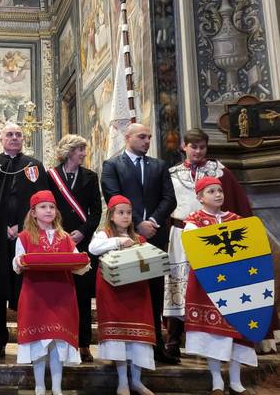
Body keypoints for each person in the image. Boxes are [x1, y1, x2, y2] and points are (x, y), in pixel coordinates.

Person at [164, 128, 253, 357]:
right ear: (184, 146)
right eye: (193, 147)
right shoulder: (171, 173)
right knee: (178, 284)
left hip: (212, 237)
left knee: (209, 285)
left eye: (202, 147)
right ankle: (173, 340)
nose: (198, 151)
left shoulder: (218, 170)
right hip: (180, 233)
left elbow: (236, 201)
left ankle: (215, 339)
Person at [101, 123, 178, 364]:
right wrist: (136, 224)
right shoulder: (112, 165)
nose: (147, 141)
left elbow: (169, 198)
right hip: (125, 237)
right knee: (130, 292)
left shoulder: (159, 165)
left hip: (154, 235)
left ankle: (156, 345)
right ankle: (127, 346)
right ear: (128, 137)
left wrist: (152, 221)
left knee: (154, 291)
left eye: (149, 137)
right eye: (142, 137)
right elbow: (112, 197)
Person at [0, 122, 48, 361]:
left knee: (26, 290)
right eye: (10, 134)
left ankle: (31, 342)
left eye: (18, 134)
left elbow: (42, 203)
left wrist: (21, 226)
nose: (14, 138)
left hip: (27, 238)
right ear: (0, 138)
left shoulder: (34, 166)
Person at [182, 177, 257, 395]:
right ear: (200, 197)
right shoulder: (193, 221)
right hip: (208, 285)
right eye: (211, 191)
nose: (218, 194)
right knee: (214, 334)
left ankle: (235, 379)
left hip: (235, 284)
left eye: (220, 190)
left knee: (236, 332)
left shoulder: (236, 220)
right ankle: (217, 380)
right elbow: (194, 248)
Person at [13, 190, 87, 395]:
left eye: (52, 207)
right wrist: (19, 261)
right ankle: (39, 386)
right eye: (43, 207)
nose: (48, 210)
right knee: (39, 343)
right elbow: (18, 262)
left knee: (57, 342)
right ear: (33, 212)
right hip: (35, 296)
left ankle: (57, 387)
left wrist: (83, 261)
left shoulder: (65, 238)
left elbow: (76, 263)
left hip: (62, 295)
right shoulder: (25, 237)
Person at [89, 195, 156, 395]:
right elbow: (93, 249)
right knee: (119, 337)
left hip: (137, 292)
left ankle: (136, 380)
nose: (125, 216)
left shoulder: (139, 238)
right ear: (111, 215)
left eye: (128, 212)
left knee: (139, 339)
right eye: (120, 212)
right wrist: (118, 241)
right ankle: (122, 382)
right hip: (113, 291)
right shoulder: (104, 234)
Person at [47, 134, 102, 362]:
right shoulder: (51, 176)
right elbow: (46, 206)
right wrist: (58, 233)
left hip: (82, 242)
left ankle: (84, 343)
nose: (84, 153)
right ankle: (57, 339)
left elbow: (96, 212)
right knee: (57, 294)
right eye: (81, 149)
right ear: (70, 151)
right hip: (56, 241)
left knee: (82, 295)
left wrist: (83, 232)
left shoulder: (90, 176)